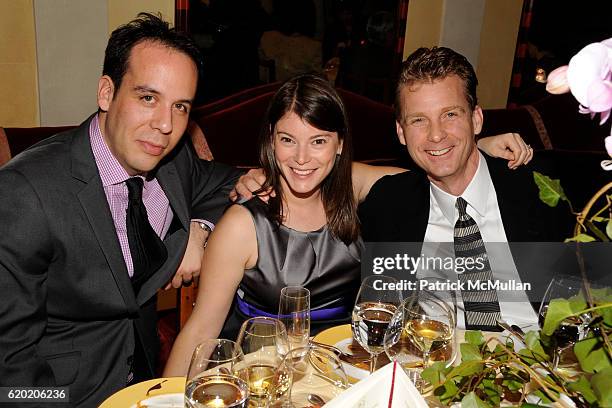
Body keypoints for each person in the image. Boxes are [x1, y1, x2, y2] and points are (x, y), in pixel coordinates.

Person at [163, 73, 532, 376]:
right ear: (271, 142)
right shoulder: (243, 225)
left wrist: (474, 146)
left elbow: (431, 170)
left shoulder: (353, 189)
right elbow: (200, 332)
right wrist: (168, 400)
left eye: (319, 141)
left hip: (349, 368)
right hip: (264, 372)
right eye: (288, 140)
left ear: (339, 145)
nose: (302, 158)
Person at [0, 13, 240, 406]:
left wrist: (199, 230)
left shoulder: (174, 161)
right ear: (106, 93)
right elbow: (9, 368)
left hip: (146, 380)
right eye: (148, 98)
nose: (165, 124)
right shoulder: (24, 194)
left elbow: (228, 183)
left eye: (181, 106)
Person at [358, 46, 571, 331]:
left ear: (476, 119)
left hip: (539, 362)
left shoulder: (538, 188)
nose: (435, 134)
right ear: (401, 132)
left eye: (451, 115)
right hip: (438, 363)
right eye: (419, 120)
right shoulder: (389, 204)